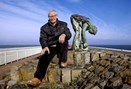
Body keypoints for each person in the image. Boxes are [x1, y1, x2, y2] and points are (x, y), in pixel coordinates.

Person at [28, 10, 71, 86]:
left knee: (65, 42)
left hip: (61, 44)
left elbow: (69, 34)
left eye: (54, 15)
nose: (52, 18)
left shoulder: (63, 24)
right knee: (43, 58)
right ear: (48, 17)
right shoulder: (44, 28)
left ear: (56, 16)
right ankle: (37, 78)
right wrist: (44, 46)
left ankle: (63, 60)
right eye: (50, 16)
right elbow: (42, 38)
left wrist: (64, 34)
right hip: (50, 46)